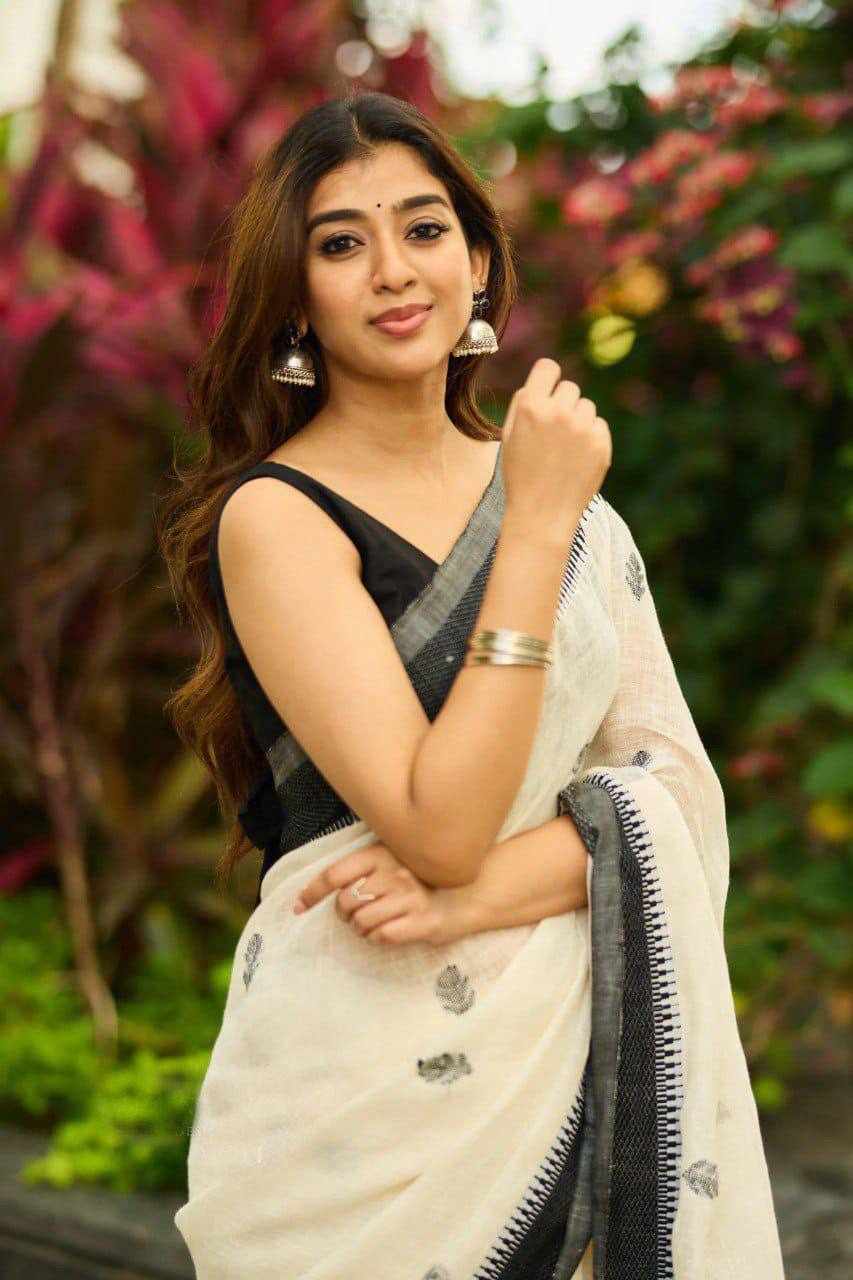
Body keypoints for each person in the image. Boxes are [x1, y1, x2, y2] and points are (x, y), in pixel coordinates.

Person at [158, 91, 785, 1279]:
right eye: (341, 243)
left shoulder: (572, 504)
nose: (393, 271)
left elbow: (672, 787)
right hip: (362, 1113)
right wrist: (531, 525)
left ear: (480, 261)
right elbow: (437, 824)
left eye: (423, 228)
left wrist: (483, 894)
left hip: (574, 1052)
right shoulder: (278, 519)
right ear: (295, 294)